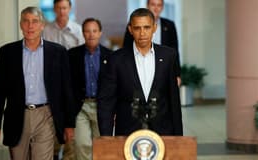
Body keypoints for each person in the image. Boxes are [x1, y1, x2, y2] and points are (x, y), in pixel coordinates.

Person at [0, 6, 75, 160]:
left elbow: (66, 89)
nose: (30, 26)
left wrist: (69, 123)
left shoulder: (58, 52)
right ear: (21, 25)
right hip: (16, 115)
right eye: (26, 21)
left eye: (35, 21)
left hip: (46, 116)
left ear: (42, 25)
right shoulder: (7, 52)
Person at [97, 8, 183, 136]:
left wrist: (178, 138)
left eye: (147, 27)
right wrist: (106, 138)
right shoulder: (116, 59)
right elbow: (106, 103)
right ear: (130, 29)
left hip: (163, 132)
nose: (142, 33)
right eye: (137, 28)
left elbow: (174, 101)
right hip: (128, 133)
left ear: (154, 28)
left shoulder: (168, 56)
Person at [43, 0, 83, 159]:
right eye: (59, 8)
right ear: (54, 9)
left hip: (72, 81)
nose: (62, 11)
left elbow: (81, 56)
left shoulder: (78, 30)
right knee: (52, 120)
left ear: (69, 9)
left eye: (65, 8)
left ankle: (68, 152)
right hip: (51, 80)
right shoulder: (46, 30)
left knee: (70, 116)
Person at [68, 18, 112, 160]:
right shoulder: (72, 55)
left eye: (94, 31)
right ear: (83, 33)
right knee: (82, 144)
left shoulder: (110, 56)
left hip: (102, 107)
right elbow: (68, 84)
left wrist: (114, 109)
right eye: (87, 31)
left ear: (100, 33)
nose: (91, 34)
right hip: (81, 107)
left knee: (100, 146)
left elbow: (114, 86)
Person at [123, 0, 181, 85]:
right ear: (147, 5)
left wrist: (177, 74)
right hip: (139, 65)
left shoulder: (169, 25)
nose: (156, 8)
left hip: (163, 68)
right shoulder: (135, 24)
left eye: (159, 5)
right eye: (153, 4)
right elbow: (126, 48)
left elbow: (174, 51)